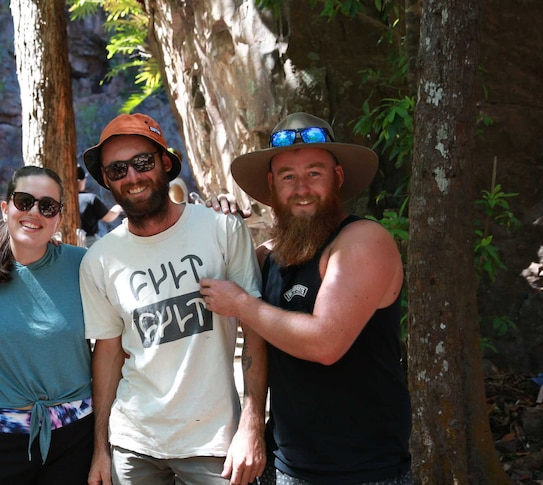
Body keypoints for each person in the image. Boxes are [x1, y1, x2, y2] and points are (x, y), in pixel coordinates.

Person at [200, 112, 413, 484]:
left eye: (315, 173)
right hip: (286, 463)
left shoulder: (364, 241)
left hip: (362, 469)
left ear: (338, 178)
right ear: (271, 186)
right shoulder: (269, 257)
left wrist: (242, 304)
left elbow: (325, 343)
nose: (301, 187)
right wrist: (216, 225)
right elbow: (255, 340)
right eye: (288, 176)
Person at [80, 113, 266, 485]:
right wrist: (102, 448)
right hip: (134, 443)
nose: (131, 177)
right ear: (106, 180)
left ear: (165, 163)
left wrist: (252, 426)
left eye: (143, 162)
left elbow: (256, 330)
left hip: (214, 442)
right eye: (116, 170)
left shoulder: (221, 228)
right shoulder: (100, 260)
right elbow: (108, 354)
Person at [0, 165, 94, 484]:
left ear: (59, 217)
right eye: (24, 201)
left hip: (74, 437)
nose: (34, 212)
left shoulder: (84, 266)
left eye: (47, 206)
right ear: (5, 207)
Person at [78, 165, 123, 247]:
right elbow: (109, 217)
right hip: (89, 242)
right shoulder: (90, 199)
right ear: (82, 180)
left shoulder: (60, 198)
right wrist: (118, 208)